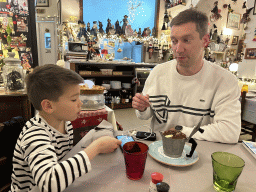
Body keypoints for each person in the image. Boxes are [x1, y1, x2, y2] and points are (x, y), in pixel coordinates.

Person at [132, 8, 241, 144]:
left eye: (186, 40)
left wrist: (180, 131)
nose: (178, 49)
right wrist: (142, 108)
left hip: (200, 155)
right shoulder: (158, 73)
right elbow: (146, 114)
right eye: (174, 41)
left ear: (205, 41)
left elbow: (230, 131)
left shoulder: (224, 80)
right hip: (159, 152)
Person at [10, 64, 121, 191]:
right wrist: (97, 147)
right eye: (74, 99)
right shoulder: (34, 134)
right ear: (48, 106)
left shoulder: (65, 122)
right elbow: (50, 183)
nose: (80, 103)